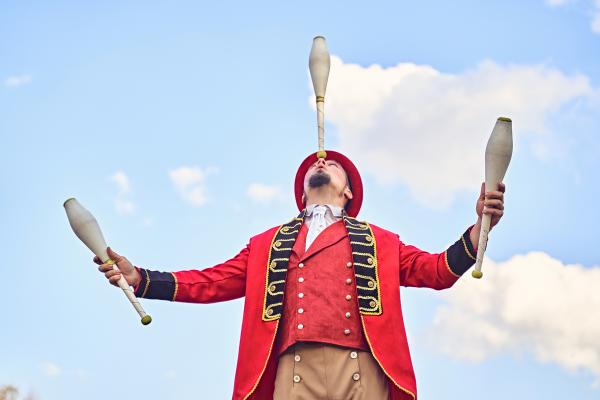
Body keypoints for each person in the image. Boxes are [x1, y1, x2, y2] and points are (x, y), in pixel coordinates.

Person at [97, 150, 505, 400]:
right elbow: (213, 281)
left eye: (333, 165)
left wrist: (479, 228)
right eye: (316, 163)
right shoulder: (266, 244)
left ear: (348, 193)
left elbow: (436, 271)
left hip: (362, 369)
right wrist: (140, 279)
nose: (322, 161)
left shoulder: (380, 240)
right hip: (291, 374)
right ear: (303, 190)